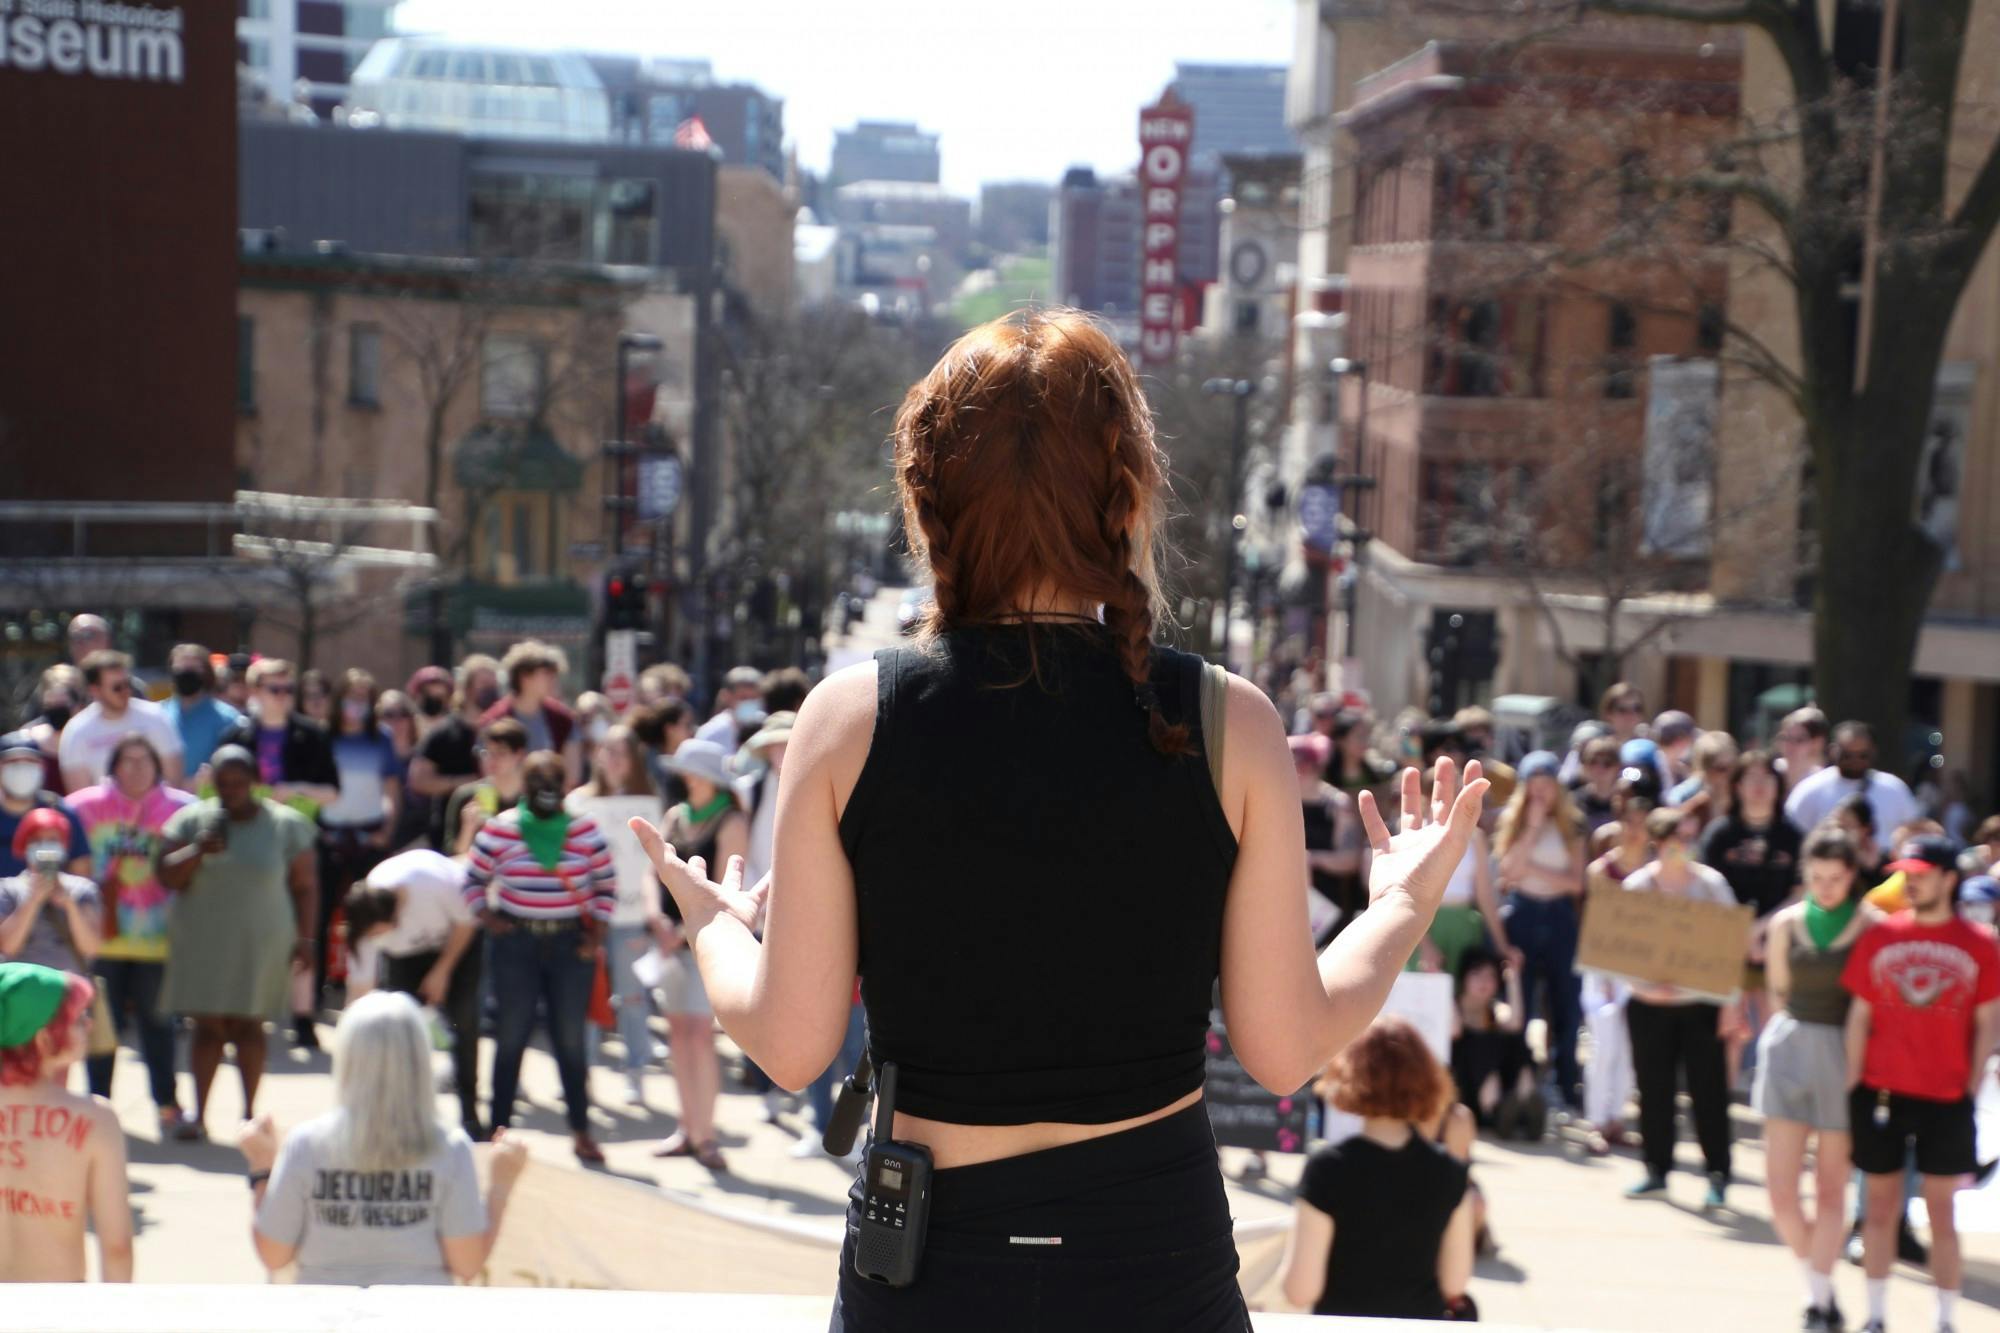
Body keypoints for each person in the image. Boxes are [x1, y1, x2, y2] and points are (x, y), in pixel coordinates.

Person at [630, 309, 1490, 1330]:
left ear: (928, 494)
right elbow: (1283, 1046)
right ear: (1124, 493)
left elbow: (789, 1044)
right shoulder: (1227, 722)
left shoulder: (851, 720)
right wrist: (1399, 904)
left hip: (930, 1268)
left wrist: (713, 920)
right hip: (1154, 1258)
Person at [238, 990, 528, 1286]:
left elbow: (274, 1255)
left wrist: (262, 1168)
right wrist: (500, 1187)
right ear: (420, 1060)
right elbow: (467, 1264)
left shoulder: (307, 1145)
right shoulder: (449, 1149)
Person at [1844, 834, 2000, 1333]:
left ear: (1949, 878)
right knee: (1879, 1211)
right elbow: (1859, 1015)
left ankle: (1946, 1320)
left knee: (1941, 1214)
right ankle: (1873, 1315)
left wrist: (1970, 1088)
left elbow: (1987, 1021)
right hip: (1881, 1091)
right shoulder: (1881, 935)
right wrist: (1853, 1087)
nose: (1909, 881)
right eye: (1905, 873)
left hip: (1947, 1097)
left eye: (1920, 873)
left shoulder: (1981, 944)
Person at [158, 746, 319, 1139]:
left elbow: (305, 886)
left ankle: (249, 1114)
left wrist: (307, 938)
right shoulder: (191, 821)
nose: (230, 791)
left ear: (255, 783)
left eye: (239, 783)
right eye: (223, 783)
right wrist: (197, 850)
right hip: (204, 940)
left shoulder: (285, 825)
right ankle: (198, 1114)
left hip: (261, 942)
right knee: (208, 1026)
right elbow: (165, 877)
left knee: (249, 1025)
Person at [463, 751, 614, 1163]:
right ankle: (498, 1129)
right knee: (511, 1037)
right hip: (516, 944)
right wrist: (488, 917)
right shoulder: (501, 829)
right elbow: (473, 880)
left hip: (570, 946)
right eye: (538, 782)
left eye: (553, 781)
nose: (546, 790)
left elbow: (605, 886)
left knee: (570, 1040)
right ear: (526, 788)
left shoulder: (586, 831)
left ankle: (582, 1130)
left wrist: (595, 934)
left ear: (564, 786)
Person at [1758, 826, 1880, 1332]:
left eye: (1836, 877)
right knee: (1781, 1192)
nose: (1826, 886)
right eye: (1817, 876)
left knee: (1832, 1190)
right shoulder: (1786, 922)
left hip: (1846, 1054)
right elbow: (1777, 992)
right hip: (1789, 1048)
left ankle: (1817, 1302)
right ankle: (1821, 1291)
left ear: (1851, 875)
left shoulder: (1874, 924)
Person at [1280, 1017, 1474, 1319]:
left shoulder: (1327, 1169)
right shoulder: (1449, 1171)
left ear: (1350, 1075)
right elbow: (1455, 1283)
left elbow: (1300, 1290)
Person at [67, 735, 195, 1132]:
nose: (137, 768)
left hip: (157, 940)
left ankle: (166, 1103)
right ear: (113, 766)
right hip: (99, 940)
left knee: (158, 1024)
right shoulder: (84, 806)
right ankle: (97, 1106)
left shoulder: (181, 810)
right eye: (128, 760)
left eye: (145, 760)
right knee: (101, 1029)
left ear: (159, 766)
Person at [1621, 806, 1740, 1207]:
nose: (1682, 849)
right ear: (1659, 843)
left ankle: (1718, 1173)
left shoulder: (1712, 887)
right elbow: (1619, 949)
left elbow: (1730, 947)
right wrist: (1647, 988)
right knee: (1654, 1089)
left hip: (1700, 1005)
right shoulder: (1638, 887)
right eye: (1675, 842)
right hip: (1648, 1006)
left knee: (1708, 1091)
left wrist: (1730, 1005)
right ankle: (1656, 1170)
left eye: (1688, 841)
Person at [648, 737, 747, 1169]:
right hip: (670, 940)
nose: (687, 777)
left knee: (701, 1035)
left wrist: (684, 931)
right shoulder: (676, 815)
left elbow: (723, 889)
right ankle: (686, 1129)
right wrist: (657, 921)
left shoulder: (731, 820)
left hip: (705, 941)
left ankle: (705, 1135)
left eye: (694, 770)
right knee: (678, 1032)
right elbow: (652, 875)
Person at [0, 963, 132, 1282]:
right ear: (45, 1040)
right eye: (76, 1019)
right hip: (56, 1309)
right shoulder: (95, 1120)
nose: (89, 1024)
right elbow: (117, 1247)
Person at [342, 849, 485, 1139]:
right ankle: (398, 1115)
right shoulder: (368, 913)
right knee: (398, 1029)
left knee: (463, 1022)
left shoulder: (431, 883)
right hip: (406, 958)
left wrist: (442, 970)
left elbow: (467, 923)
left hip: (459, 939)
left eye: (385, 930)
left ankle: (470, 1114)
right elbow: (360, 989)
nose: (381, 936)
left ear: (396, 910)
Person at [564, 725, 666, 1107]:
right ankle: (581, 1071)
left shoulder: (650, 800)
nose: (612, 760)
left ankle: (636, 1071)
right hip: (588, 916)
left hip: (630, 916)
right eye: (606, 751)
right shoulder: (578, 802)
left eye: (620, 752)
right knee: (584, 994)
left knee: (633, 996)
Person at [1701, 749, 1803, 1086]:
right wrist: (1739, 930)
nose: (1759, 787)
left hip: (1777, 941)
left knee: (1776, 1024)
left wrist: (1763, 928)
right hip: (1725, 942)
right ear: (1738, 787)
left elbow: (1802, 892)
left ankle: (1774, 1099)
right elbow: (1706, 886)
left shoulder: (1793, 836)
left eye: (1766, 779)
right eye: (1750, 779)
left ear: (1778, 787)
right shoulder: (1720, 834)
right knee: (1730, 1027)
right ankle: (1724, 1097)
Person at [1494, 750, 1586, 1108]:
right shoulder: (1514, 822)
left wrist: (1533, 869)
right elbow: (1509, 872)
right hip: (1523, 913)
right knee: (1520, 999)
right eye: (1536, 785)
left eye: (1548, 785)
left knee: (1566, 1002)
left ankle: (1566, 1081)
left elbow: (1575, 883)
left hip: (1560, 915)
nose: (1542, 793)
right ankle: (1518, 1079)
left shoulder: (1571, 825)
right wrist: (1531, 829)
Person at [1580, 767, 1661, 1154]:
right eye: (1630, 822)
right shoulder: (1601, 871)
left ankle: (1616, 1118)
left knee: (1631, 1049)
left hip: (1643, 967)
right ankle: (1595, 1120)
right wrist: (1608, 971)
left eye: (1643, 824)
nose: (1635, 830)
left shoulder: (1658, 873)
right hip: (1604, 967)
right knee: (1604, 1044)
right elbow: (1597, 926)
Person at [317, 669, 403, 1020]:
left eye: (366, 697)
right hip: (329, 833)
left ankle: (369, 986)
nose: (358, 705)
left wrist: (387, 829)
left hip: (369, 836)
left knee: (371, 916)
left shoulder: (380, 738)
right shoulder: (323, 736)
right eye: (353, 696)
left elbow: (392, 790)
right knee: (322, 915)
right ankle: (318, 989)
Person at [217, 658, 340, 815]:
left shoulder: (313, 735)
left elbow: (333, 792)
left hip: (296, 828)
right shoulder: (235, 737)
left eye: (289, 689)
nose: (283, 696)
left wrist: (295, 790)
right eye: (275, 690)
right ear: (255, 691)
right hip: (246, 825)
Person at [407, 655, 501, 850]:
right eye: (483, 683)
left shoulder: (501, 731)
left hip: (493, 833)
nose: (490, 690)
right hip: (450, 833)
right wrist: (461, 783)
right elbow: (419, 780)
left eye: (493, 684)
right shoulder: (443, 733)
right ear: (466, 688)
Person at [56, 651, 185, 793]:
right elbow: (81, 796)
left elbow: (173, 782)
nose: (125, 691)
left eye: (127, 684)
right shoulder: (77, 731)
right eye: (117, 687)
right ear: (95, 690)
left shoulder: (155, 717)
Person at [1451, 948, 1540, 1140]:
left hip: (1500, 1085)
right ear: (1464, 977)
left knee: (1515, 1040)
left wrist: (1514, 978)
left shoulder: (1494, 1009)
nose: (1484, 982)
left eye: (1490, 976)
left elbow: (1515, 1022)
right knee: (1482, 1042)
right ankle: (1496, 1113)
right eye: (1476, 974)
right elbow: (1455, 1031)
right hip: (1466, 1087)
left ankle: (1527, 1101)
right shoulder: (1453, 1005)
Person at [0, 808, 103, 972]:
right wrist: (32, 901)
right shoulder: (7, 889)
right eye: (37, 840)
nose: (44, 847)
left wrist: (70, 905)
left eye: (52, 840)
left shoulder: (84, 889)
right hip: (21, 990)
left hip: (70, 989)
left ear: (63, 846)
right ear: (24, 845)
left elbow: (91, 948)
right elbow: (7, 947)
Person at [1785, 721, 1923, 839]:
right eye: (1847, 755)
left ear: (1873, 752)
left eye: (1862, 755)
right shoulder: (1811, 788)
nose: (1855, 760)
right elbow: (1791, 830)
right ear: (1833, 751)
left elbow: (1913, 831)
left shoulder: (1893, 788)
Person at [1294, 733, 1365, 941]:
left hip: (1327, 906)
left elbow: (1351, 859)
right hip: (1288, 898)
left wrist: (1311, 858)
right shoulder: (1280, 803)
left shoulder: (1336, 804)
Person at [480, 642, 581, 788]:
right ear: (525, 676)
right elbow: (488, 773)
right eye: (547, 673)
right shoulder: (494, 721)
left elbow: (571, 777)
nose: (553, 680)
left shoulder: (563, 720)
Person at [0, 737, 91, 879]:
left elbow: (82, 874)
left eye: (30, 762)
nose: (22, 769)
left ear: (42, 767)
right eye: (12, 762)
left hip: (55, 899)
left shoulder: (62, 813)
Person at [442, 719, 528, 857]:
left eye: (501, 752)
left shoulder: (531, 799)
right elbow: (452, 857)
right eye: (487, 752)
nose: (492, 760)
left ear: (519, 755)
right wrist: (468, 828)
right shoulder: (466, 796)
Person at [165, 643, 242, 780]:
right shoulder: (157, 714)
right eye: (180, 668)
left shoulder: (227, 719)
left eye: (193, 669)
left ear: (206, 673)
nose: (186, 674)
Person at [20, 665, 84, 796]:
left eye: (62, 704)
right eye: (50, 704)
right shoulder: (27, 739)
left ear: (79, 704)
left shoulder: (94, 736)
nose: (56, 710)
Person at [694, 665, 766, 750]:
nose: (749, 702)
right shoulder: (712, 733)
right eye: (743, 698)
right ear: (727, 696)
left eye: (754, 698)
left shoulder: (767, 727)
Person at [1668, 730, 1739, 814]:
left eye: (1735, 767)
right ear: (1705, 770)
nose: (1730, 774)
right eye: (1722, 769)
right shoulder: (1682, 797)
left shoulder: (1741, 799)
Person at [1572, 735, 1625, 838]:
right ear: (1585, 766)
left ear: (1618, 766)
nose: (1599, 768)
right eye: (1593, 762)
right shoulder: (1575, 802)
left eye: (1607, 763)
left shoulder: (1627, 800)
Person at [1777, 706, 1831, 785]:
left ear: (1818, 742)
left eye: (1799, 740)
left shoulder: (1826, 782)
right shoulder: (1771, 773)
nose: (1789, 745)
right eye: (1785, 738)